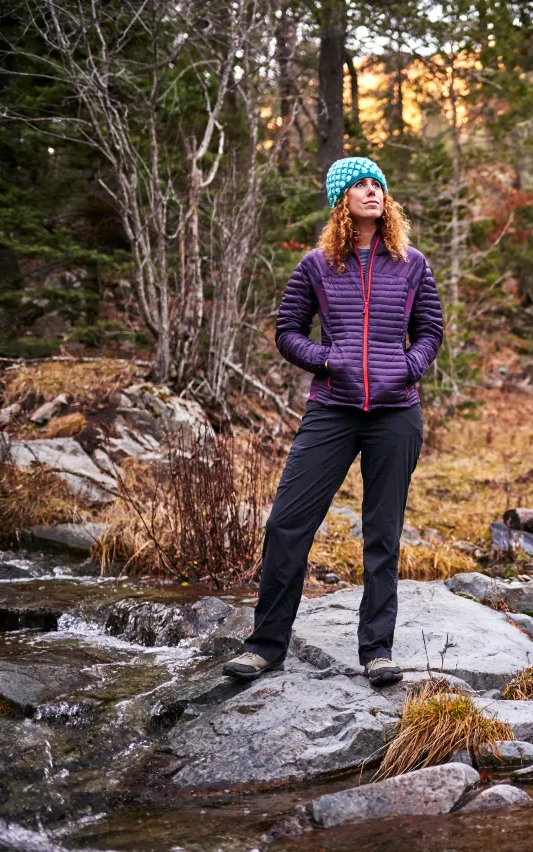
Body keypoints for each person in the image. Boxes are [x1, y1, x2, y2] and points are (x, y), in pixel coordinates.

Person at [223, 156, 444, 686]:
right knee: (286, 524)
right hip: (332, 408)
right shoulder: (317, 265)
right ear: (341, 200)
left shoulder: (411, 263)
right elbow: (287, 331)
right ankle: (266, 646)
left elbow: (431, 331)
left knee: (382, 534)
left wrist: (406, 368)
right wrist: (328, 359)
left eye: (378, 184)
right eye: (360, 185)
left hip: (396, 414)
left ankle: (377, 651)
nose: (372, 191)